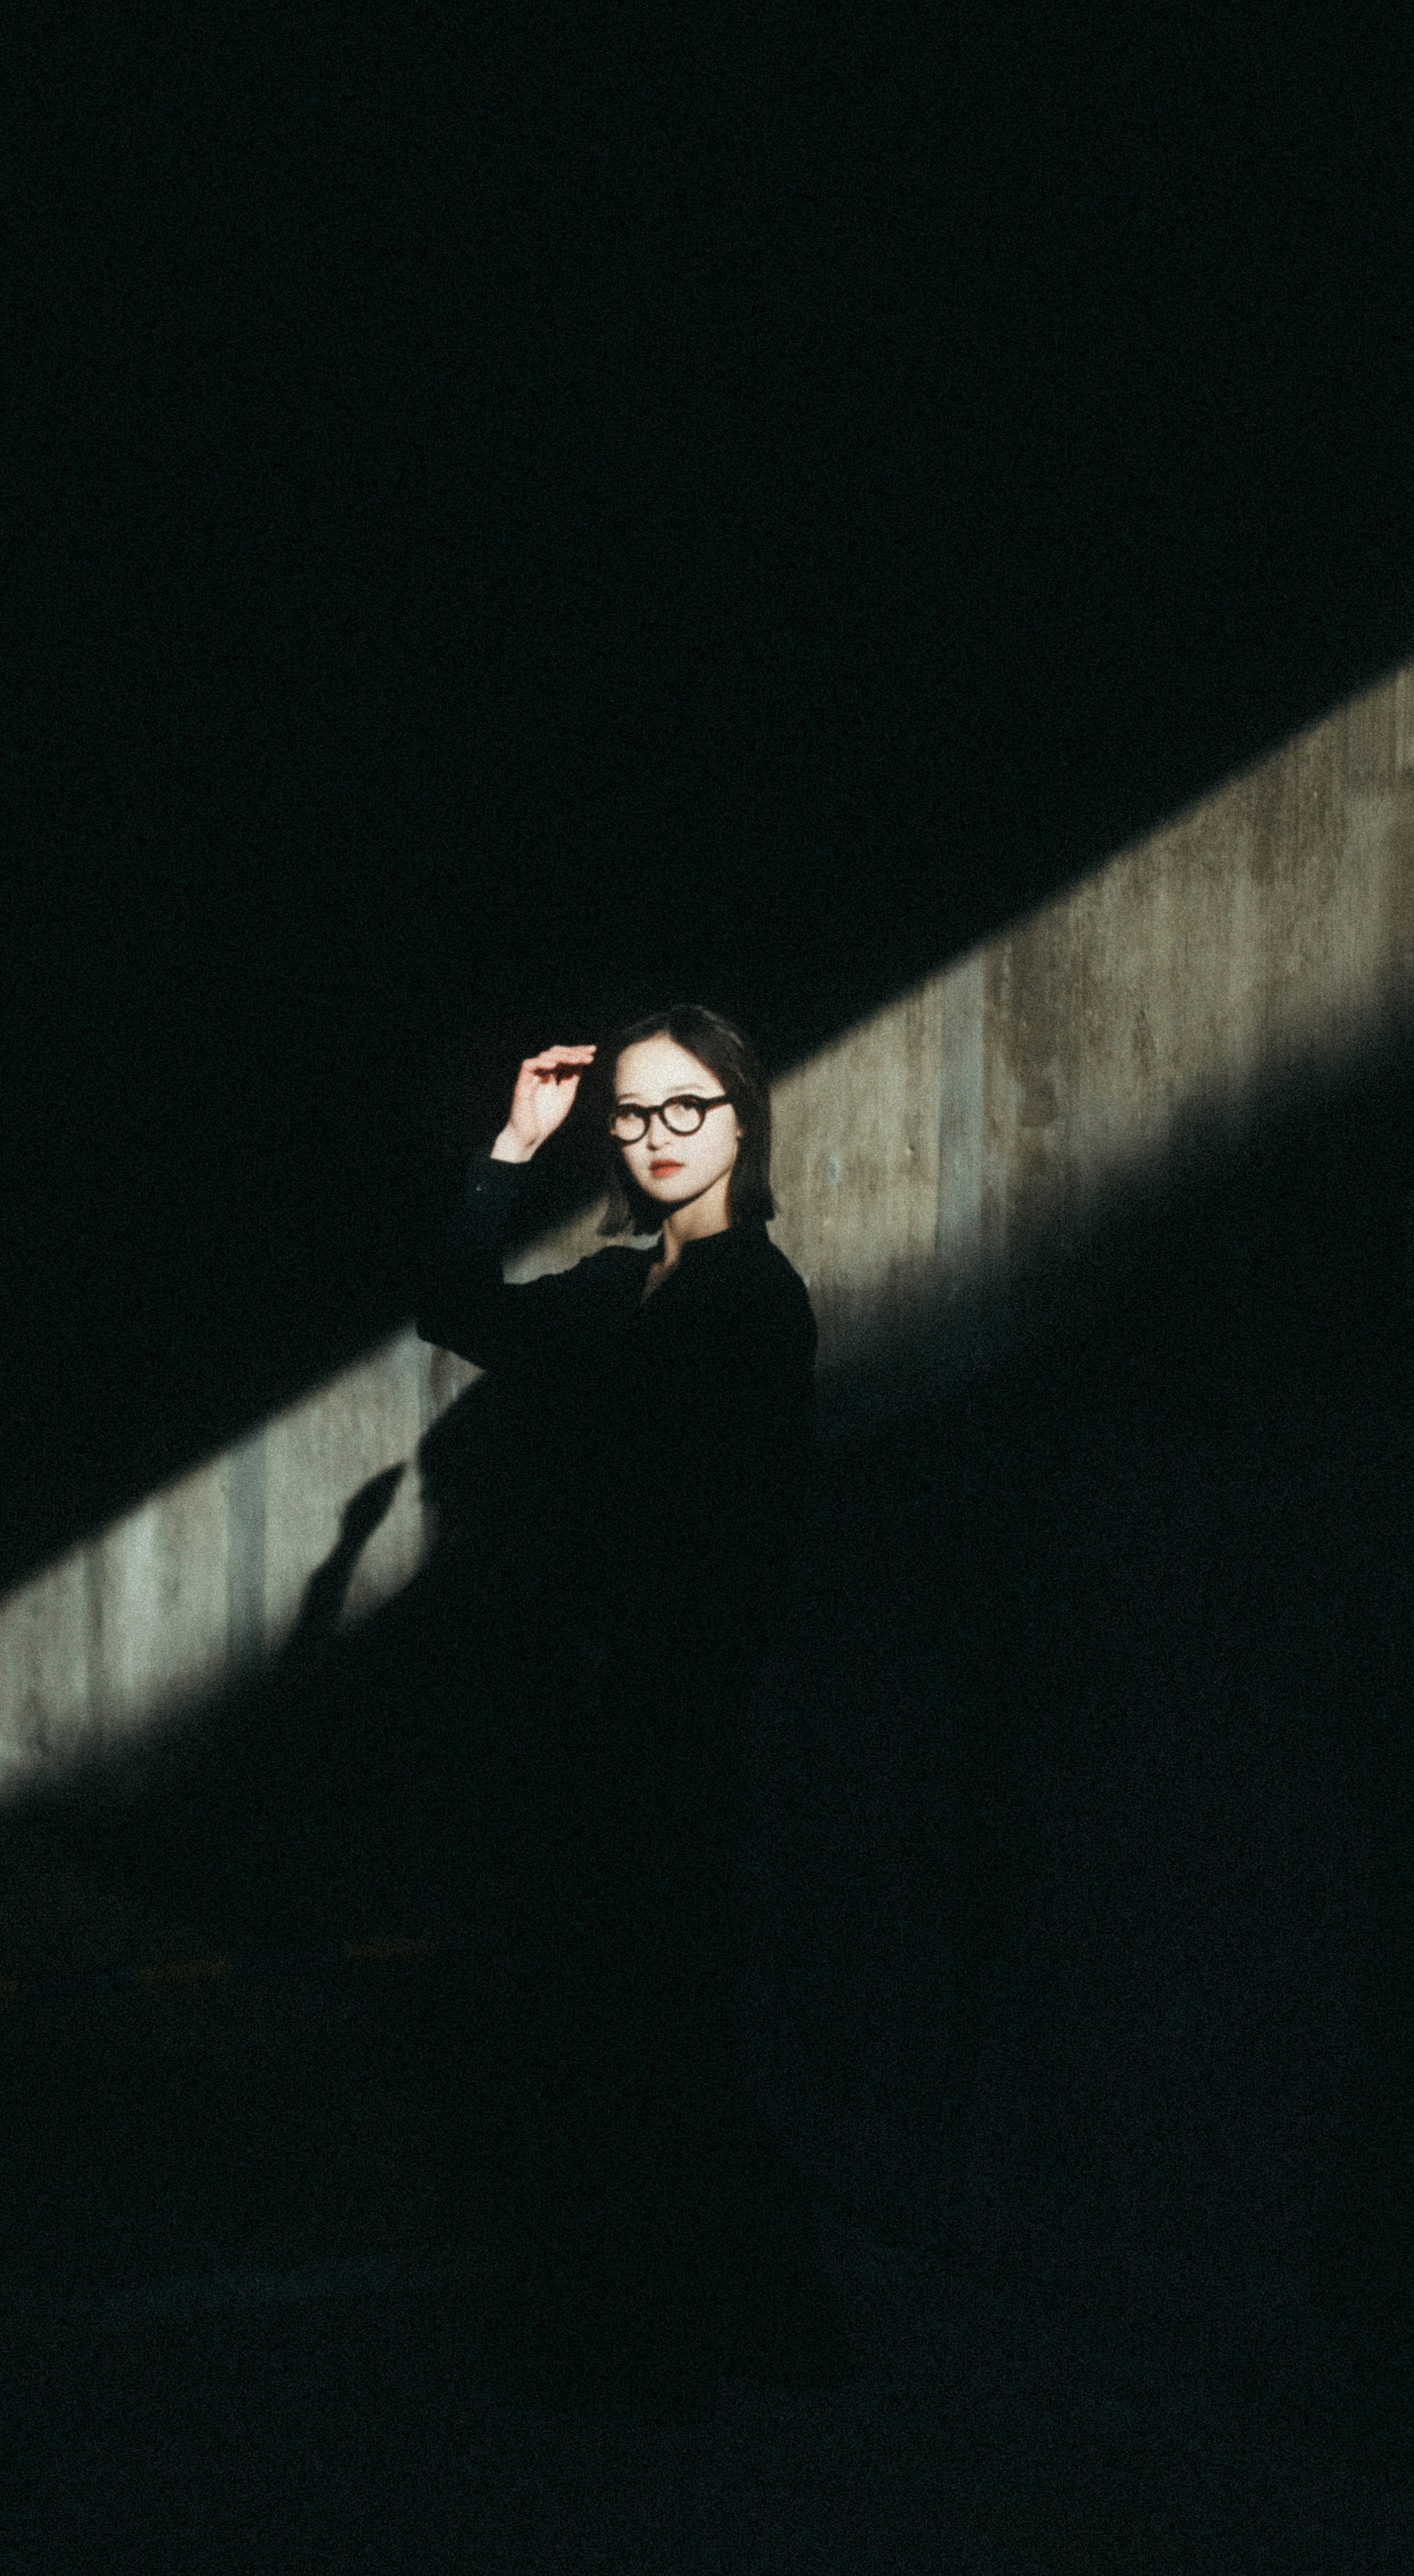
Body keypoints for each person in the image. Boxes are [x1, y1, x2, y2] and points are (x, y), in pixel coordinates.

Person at [415, 1004, 849, 2397]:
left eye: (686, 1110)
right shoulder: (613, 1289)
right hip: (582, 1722)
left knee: (663, 2024)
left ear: (740, 1120)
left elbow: (735, 1543)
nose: (657, 1139)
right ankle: (655, 2321)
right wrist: (509, 1151)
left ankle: (762, 2324)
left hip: (672, 1725)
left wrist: (650, 1679)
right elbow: (454, 1305)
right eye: (634, 1115)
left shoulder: (752, 1300)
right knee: (603, 2025)